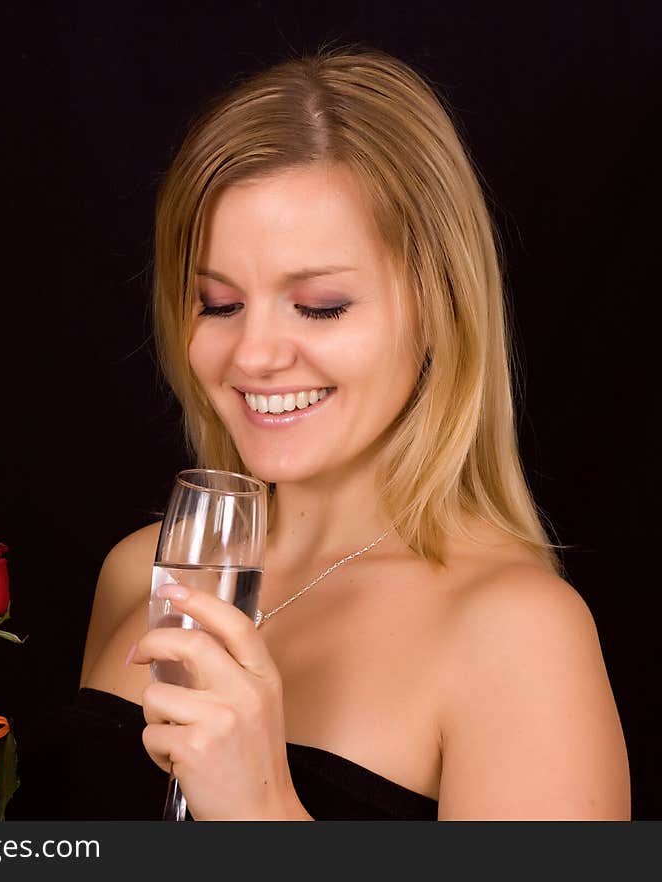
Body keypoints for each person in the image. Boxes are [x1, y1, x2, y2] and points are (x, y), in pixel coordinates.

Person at [75, 47, 630, 820]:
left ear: (439, 307)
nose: (255, 355)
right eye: (219, 303)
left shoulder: (521, 637)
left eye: (322, 304)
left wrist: (261, 808)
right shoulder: (147, 574)